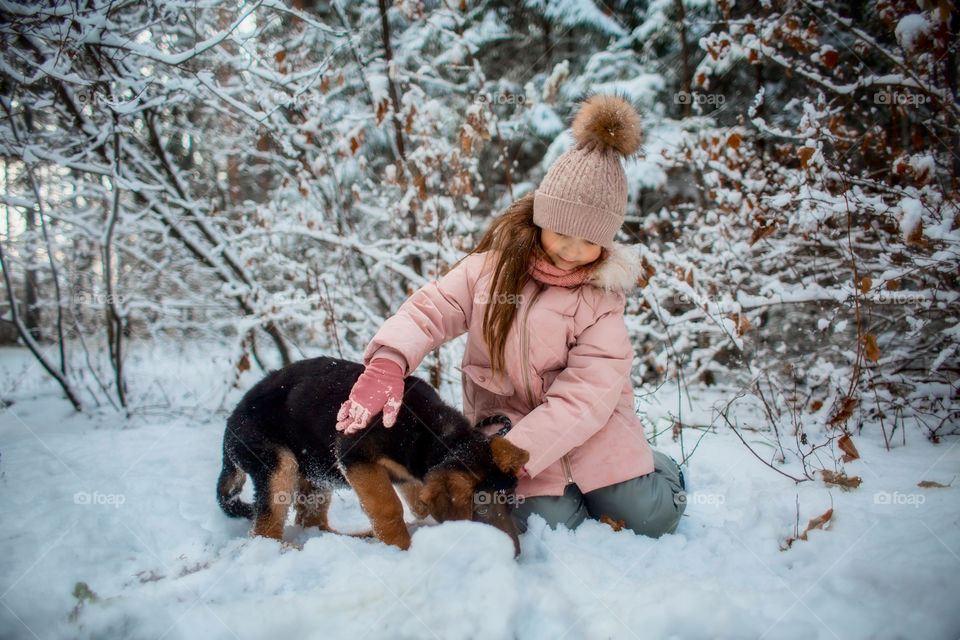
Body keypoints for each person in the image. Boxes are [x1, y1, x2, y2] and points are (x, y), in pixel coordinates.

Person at [335, 93, 686, 537]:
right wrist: (389, 359)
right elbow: (431, 309)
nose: (572, 252)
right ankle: (566, 496)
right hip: (508, 433)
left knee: (649, 517)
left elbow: (585, 397)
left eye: (590, 241)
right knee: (548, 524)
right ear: (541, 218)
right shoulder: (490, 271)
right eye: (561, 232)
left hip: (590, 435)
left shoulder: (602, 301)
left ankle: (662, 469)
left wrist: (509, 453)